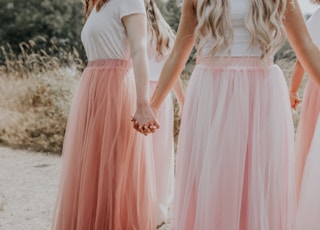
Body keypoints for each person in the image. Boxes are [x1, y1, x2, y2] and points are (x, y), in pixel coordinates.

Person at [133, 0, 320, 229]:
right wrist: (152, 106)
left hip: (260, 96)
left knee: (256, 186)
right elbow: (177, 56)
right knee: (213, 183)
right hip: (212, 95)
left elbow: (307, 47)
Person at [51, 0, 160, 229]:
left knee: (113, 170)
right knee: (90, 170)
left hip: (115, 90)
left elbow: (140, 50)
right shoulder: (96, 5)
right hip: (91, 89)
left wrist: (143, 104)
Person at [146, 1, 184, 227]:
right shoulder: (165, 32)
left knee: (142, 154)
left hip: (142, 93)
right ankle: (158, 208)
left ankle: (143, 204)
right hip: (164, 95)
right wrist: (181, 98)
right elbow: (174, 70)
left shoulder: (134, 27)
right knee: (161, 153)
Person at [289, 0, 320, 200]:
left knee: (312, 146)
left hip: (316, 87)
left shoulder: (316, 18)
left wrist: (292, 90)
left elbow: (301, 61)